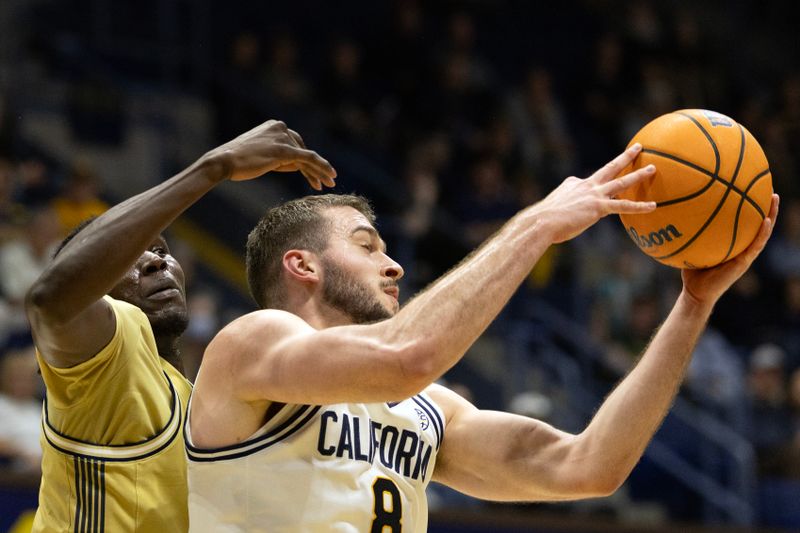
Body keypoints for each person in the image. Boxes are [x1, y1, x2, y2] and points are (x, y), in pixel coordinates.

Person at [185, 139, 779, 531]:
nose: (394, 267)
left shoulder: (426, 411)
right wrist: (539, 222)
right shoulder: (253, 344)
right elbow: (408, 355)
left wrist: (693, 305)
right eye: (367, 247)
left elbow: (589, 465)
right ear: (303, 266)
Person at [24, 119, 336, 532]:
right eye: (132, 256)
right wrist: (216, 165)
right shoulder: (109, 358)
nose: (156, 261)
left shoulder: (203, 401)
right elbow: (51, 301)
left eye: (162, 249)